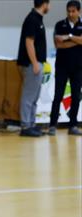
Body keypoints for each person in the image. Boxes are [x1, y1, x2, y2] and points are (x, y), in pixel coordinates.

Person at [17, 0, 51, 137]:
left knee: (34, 97)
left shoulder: (38, 19)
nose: (50, 6)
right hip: (32, 64)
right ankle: (25, 126)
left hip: (37, 63)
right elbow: (29, 42)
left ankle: (31, 124)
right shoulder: (32, 19)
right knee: (28, 96)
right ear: (45, 4)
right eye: (49, 3)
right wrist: (35, 62)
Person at [48, 0, 82, 136]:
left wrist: (68, 37)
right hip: (62, 66)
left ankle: (72, 124)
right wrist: (77, 40)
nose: (70, 13)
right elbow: (58, 44)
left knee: (76, 96)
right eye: (68, 11)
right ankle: (52, 125)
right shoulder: (59, 24)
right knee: (58, 95)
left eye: (73, 11)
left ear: (79, 11)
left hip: (78, 67)